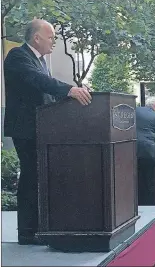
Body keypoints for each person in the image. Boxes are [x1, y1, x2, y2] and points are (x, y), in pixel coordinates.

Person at [4, 19, 92, 245]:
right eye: (51, 36)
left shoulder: (41, 60)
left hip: (42, 128)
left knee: (40, 178)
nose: (54, 41)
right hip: (26, 128)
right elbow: (39, 81)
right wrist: (69, 90)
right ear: (36, 38)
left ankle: (40, 227)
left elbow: (48, 94)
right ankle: (27, 232)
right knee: (31, 177)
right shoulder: (18, 56)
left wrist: (70, 99)